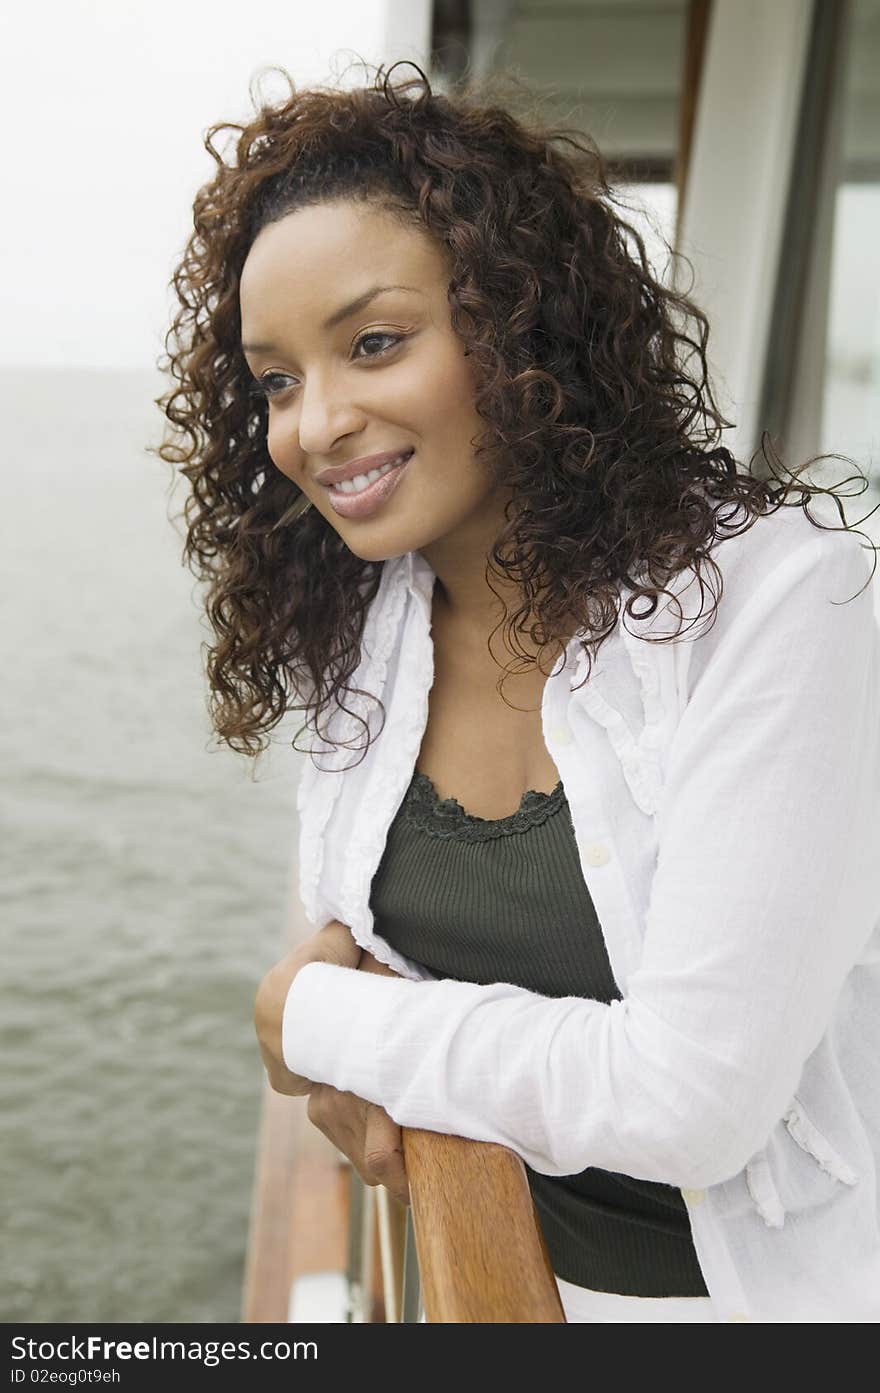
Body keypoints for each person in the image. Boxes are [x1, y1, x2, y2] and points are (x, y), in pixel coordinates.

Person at [158, 61, 880, 1323]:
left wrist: (309, 1016)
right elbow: (359, 943)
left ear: (517, 325)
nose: (314, 423)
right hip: (495, 1272)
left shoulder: (788, 610)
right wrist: (335, 1005)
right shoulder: (369, 626)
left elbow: (689, 1102)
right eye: (275, 380)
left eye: (374, 343)